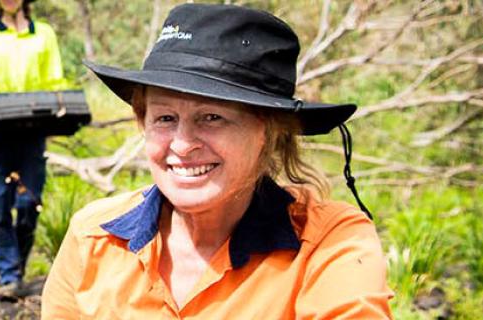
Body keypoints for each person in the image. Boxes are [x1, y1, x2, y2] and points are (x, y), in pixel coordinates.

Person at [41, 4, 391, 318]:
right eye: (165, 118)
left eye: (212, 117)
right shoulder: (93, 237)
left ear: (268, 133)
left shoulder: (329, 242)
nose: (183, 144)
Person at [0, 0, 74, 300]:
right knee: (0, 207)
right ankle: (9, 276)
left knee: (28, 203)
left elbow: (54, 78)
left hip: (31, 131)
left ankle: (18, 265)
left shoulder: (44, 34)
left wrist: (63, 103)